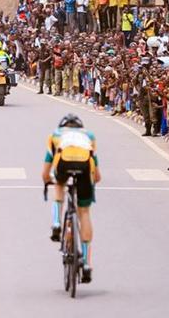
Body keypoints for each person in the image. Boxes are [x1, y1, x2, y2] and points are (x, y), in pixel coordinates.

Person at [41, 113, 100, 284]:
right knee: (84, 212)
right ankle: (87, 264)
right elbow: (97, 175)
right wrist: (91, 181)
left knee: (59, 184)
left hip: (64, 165)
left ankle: (57, 223)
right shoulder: (89, 136)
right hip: (84, 168)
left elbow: (45, 172)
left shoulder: (55, 134)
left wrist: (48, 180)